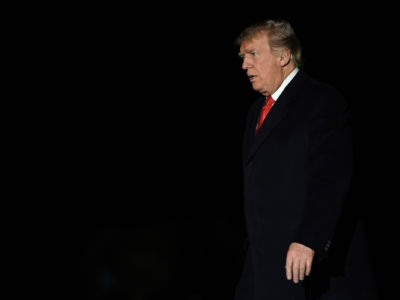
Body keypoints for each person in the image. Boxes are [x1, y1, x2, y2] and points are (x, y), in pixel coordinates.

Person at [234, 19, 378, 299]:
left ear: (283, 55)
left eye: (253, 54)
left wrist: (308, 240)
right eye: (242, 57)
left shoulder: (321, 101)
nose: (244, 65)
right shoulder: (255, 112)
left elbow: (331, 177)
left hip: (306, 265)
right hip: (261, 265)